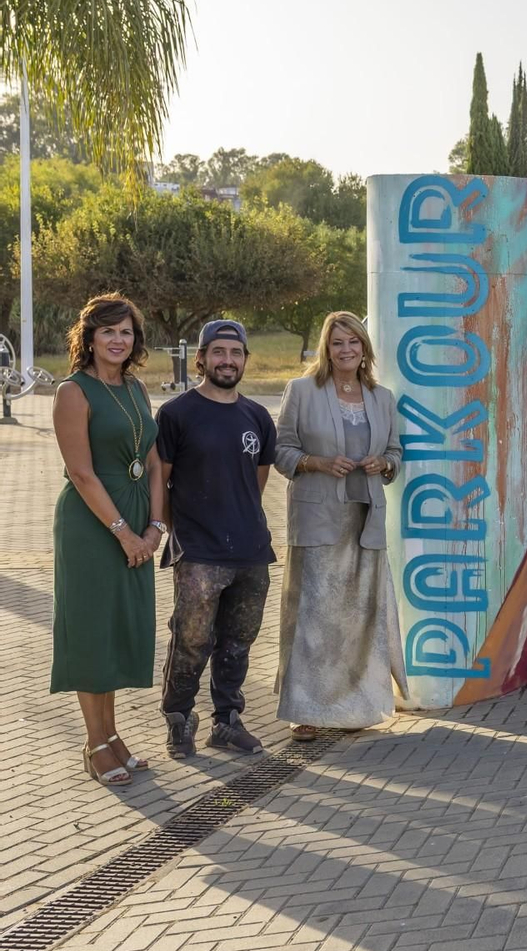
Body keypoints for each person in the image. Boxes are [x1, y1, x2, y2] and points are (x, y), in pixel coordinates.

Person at [273, 311, 407, 738]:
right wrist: (318, 462)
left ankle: (354, 707)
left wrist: (384, 463)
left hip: (365, 521)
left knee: (359, 617)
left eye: (353, 341)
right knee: (312, 616)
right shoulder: (301, 391)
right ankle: (306, 710)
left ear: (364, 347)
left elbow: (396, 453)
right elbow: (281, 452)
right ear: (326, 350)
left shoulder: (382, 397)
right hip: (317, 519)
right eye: (337, 343)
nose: (346, 350)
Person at [51, 295, 167, 785]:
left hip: (138, 523)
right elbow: (80, 472)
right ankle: (94, 742)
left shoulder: (137, 387)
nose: (118, 340)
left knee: (119, 629)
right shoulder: (72, 392)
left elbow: (156, 462)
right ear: (90, 338)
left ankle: (112, 733)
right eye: (108, 332)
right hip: (93, 526)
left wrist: (156, 527)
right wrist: (124, 534)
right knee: (92, 631)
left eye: (126, 332)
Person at [155, 319, 278, 757]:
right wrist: (179, 528)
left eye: (236, 353)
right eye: (219, 353)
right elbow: (161, 483)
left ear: (245, 359)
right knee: (190, 639)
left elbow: (256, 482)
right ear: (202, 358)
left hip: (251, 551)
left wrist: (240, 522)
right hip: (199, 552)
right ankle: (179, 719)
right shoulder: (175, 414)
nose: (228, 360)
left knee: (238, 642)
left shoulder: (258, 417)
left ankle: (226, 722)